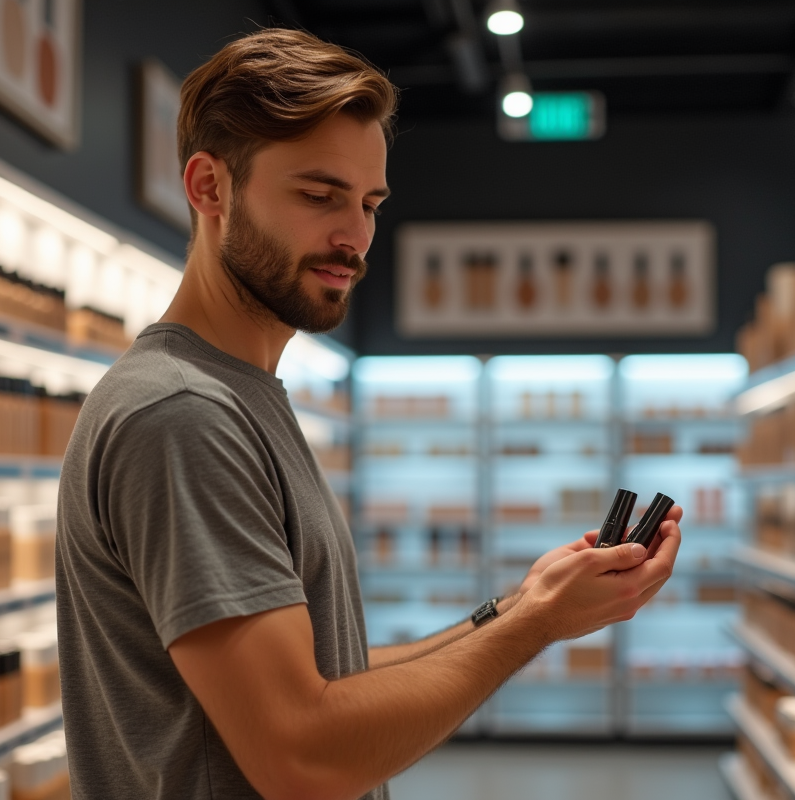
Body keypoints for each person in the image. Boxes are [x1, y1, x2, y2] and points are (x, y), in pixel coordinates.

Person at [55, 27, 682, 800]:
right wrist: (539, 625)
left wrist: (520, 606)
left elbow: (326, 680)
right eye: (319, 196)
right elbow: (302, 755)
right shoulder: (185, 415)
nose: (354, 236)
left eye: (369, 204)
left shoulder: (239, 396)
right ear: (210, 187)